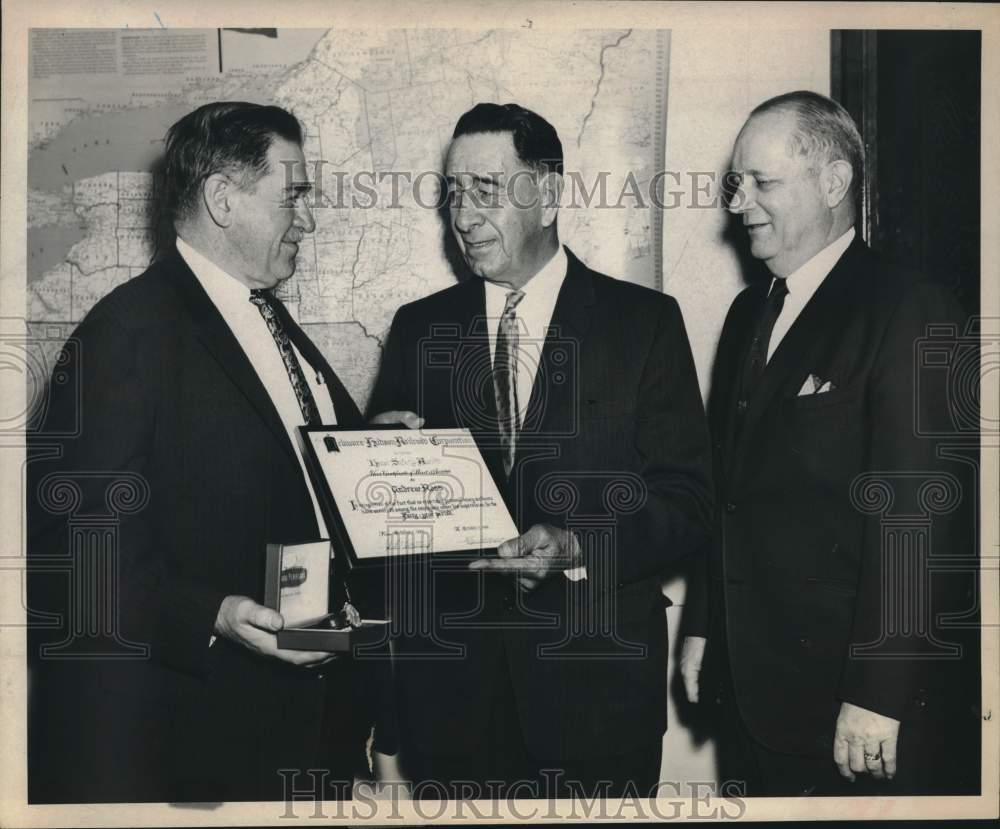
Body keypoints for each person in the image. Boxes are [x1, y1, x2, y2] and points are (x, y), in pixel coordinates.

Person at [27, 102, 375, 802]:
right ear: (223, 198)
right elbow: (69, 552)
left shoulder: (264, 318)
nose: (307, 217)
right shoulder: (126, 334)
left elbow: (284, 472)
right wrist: (209, 612)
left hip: (291, 737)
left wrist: (376, 447)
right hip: (188, 754)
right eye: (294, 194)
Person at [368, 102, 713, 798]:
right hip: (452, 706)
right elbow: (382, 536)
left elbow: (690, 501)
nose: (462, 217)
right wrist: (376, 465)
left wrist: (581, 543)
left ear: (550, 194)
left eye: (485, 190)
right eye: (453, 192)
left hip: (597, 706)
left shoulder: (644, 324)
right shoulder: (417, 328)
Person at [680, 90, 978, 796]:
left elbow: (918, 523)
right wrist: (704, 625)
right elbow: (729, 491)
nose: (738, 202)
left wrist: (879, 692)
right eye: (735, 182)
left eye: (763, 182)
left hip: (851, 709)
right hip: (752, 693)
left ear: (835, 182)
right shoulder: (751, 309)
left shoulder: (910, 308)